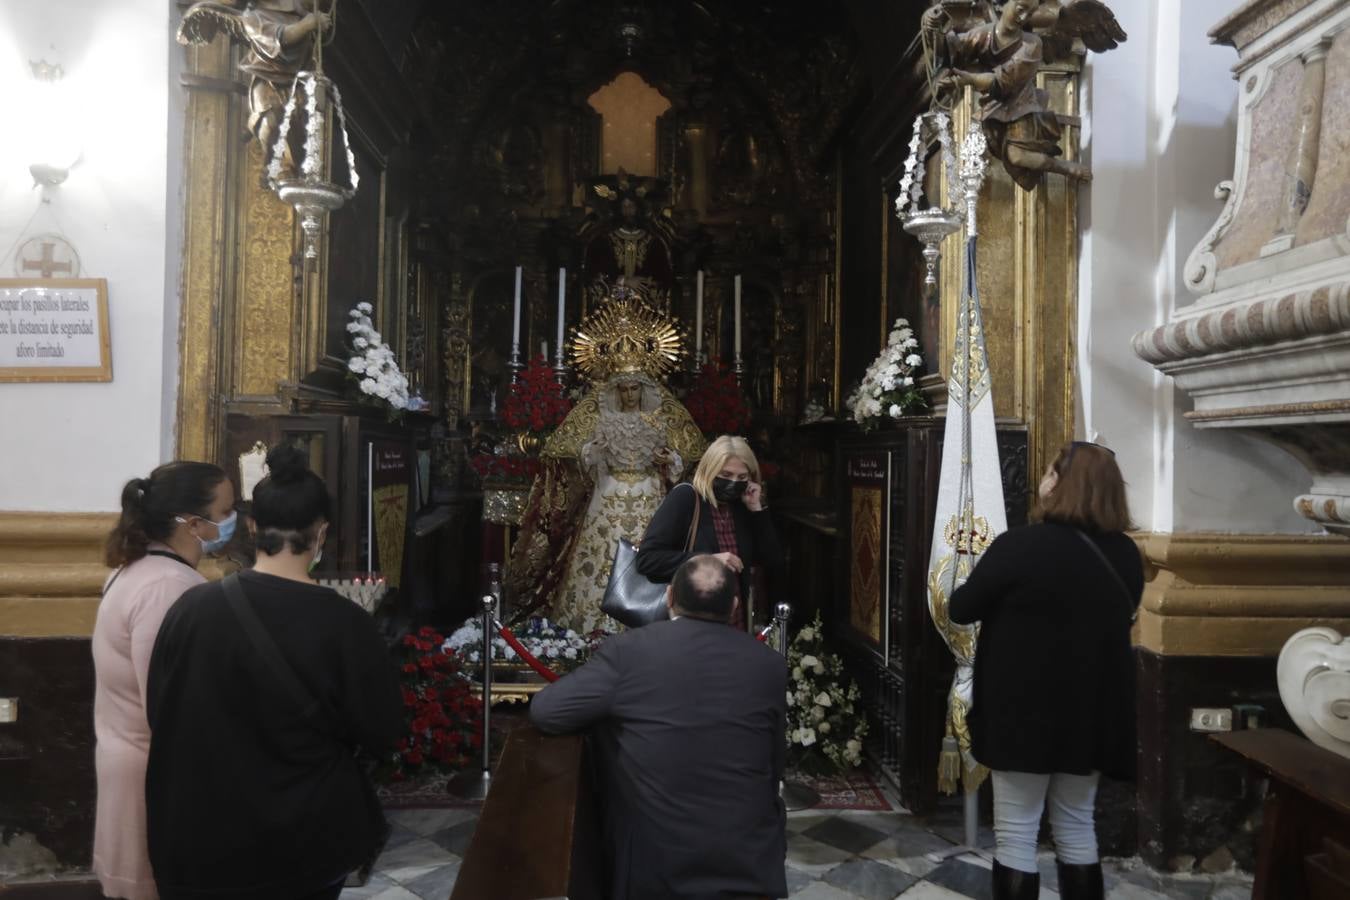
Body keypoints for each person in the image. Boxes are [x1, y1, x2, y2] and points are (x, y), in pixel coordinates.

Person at [145, 444, 403, 900]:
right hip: (302, 843)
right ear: (321, 533)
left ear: (250, 526)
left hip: (200, 841)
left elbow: (159, 712)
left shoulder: (191, 608)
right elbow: (381, 732)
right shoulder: (346, 623)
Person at [949, 441, 1143, 900]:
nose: (1043, 479)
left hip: (1023, 711)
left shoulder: (1020, 546)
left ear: (1058, 482)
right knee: (1076, 825)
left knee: (1017, 831)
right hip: (1091, 713)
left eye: (1050, 472)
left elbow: (961, 608)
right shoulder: (1126, 555)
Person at [530, 555, 787, 900]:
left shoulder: (629, 651)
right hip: (750, 864)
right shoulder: (768, 664)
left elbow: (548, 711)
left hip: (659, 868)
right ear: (735, 606)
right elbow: (773, 768)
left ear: (668, 598)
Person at [92, 462, 234, 900]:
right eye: (225, 511)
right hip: (155, 781)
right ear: (193, 524)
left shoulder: (139, 571)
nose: (233, 522)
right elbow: (172, 704)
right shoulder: (166, 588)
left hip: (138, 767)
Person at [637, 434, 784, 618]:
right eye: (726, 475)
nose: (733, 483)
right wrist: (707, 561)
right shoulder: (686, 498)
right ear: (710, 470)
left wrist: (756, 509)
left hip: (734, 619)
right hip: (692, 620)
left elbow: (772, 560)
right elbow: (647, 559)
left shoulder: (740, 505)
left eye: (742, 477)